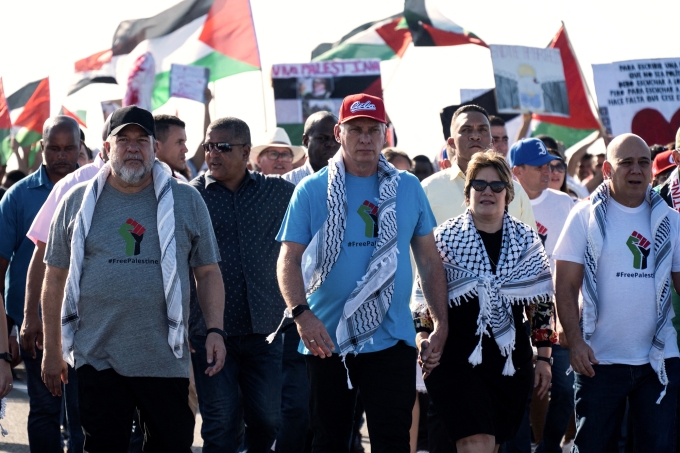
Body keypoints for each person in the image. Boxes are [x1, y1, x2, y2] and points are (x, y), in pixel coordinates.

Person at [40, 106, 227, 452]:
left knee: (171, 446)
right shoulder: (76, 203)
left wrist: (215, 329)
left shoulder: (186, 199)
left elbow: (208, 271)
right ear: (107, 148)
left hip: (165, 358)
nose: (133, 148)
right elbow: (54, 276)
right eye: (123, 139)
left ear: (155, 147)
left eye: (142, 140)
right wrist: (52, 349)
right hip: (98, 356)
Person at [277, 93, 448, 452]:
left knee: (392, 441)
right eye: (356, 129)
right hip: (326, 339)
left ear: (387, 134)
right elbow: (288, 260)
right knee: (330, 441)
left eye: (374, 129)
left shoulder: (408, 186)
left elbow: (430, 261)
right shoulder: (311, 189)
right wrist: (301, 315)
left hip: (392, 338)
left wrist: (440, 323)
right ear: (339, 133)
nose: (365, 138)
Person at [414, 150, 556, 453]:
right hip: (454, 359)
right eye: (478, 185)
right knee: (475, 441)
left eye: (496, 186)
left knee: (489, 443)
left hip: (509, 364)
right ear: (467, 195)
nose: (487, 192)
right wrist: (424, 339)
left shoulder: (526, 242)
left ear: (508, 193)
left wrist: (543, 358)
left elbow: (541, 306)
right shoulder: (444, 239)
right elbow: (423, 303)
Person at [554, 133, 680, 452]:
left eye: (643, 162)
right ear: (608, 169)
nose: (636, 170)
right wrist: (576, 343)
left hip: (659, 361)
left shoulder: (671, 220)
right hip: (598, 361)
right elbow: (566, 285)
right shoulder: (583, 216)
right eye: (626, 163)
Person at [189, 117, 294, 453]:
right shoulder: (189, 197)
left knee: (267, 421)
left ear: (246, 151)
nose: (212, 154)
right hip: (209, 330)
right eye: (208, 146)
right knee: (220, 423)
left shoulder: (278, 193)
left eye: (223, 147)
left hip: (265, 329)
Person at [0, 116, 82, 451]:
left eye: (69, 148)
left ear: (81, 147)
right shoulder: (18, 198)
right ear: (41, 148)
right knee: (46, 409)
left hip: (84, 327)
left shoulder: (96, 189)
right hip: (35, 328)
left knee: (80, 415)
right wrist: (11, 327)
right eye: (54, 148)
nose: (61, 155)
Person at [509, 139, 575, 453]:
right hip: (512, 317)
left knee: (564, 388)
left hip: (556, 314)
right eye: (539, 167)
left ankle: (548, 447)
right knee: (517, 392)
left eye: (550, 165)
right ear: (516, 171)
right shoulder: (500, 200)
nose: (548, 171)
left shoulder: (565, 204)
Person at [421, 104, 536, 230]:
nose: (475, 136)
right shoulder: (428, 190)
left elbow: (531, 247)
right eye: (466, 130)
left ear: (492, 142)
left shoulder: (516, 192)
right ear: (451, 143)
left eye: (482, 130)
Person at [283, 111, 340, 186]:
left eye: (336, 138)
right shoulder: (287, 182)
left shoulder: (352, 181)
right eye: (322, 138)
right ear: (306, 141)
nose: (331, 144)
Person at [154, 114, 190, 181]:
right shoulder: (139, 184)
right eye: (179, 142)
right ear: (157, 145)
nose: (185, 150)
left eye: (184, 143)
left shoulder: (182, 181)